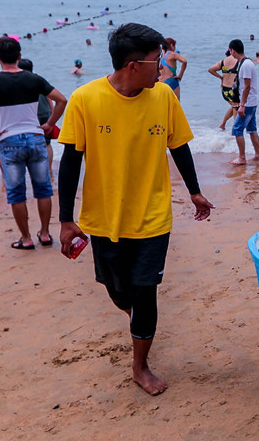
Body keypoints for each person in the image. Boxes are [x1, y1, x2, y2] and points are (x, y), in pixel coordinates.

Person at [57, 23, 215, 397]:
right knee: (117, 292)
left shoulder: (163, 97)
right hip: (105, 218)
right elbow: (69, 161)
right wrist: (65, 219)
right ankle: (135, 315)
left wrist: (195, 192)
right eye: (157, 62)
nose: (162, 69)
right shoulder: (85, 99)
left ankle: (139, 365)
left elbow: (179, 146)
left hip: (153, 216)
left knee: (145, 293)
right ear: (132, 65)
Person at [0, 38, 66, 249]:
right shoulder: (34, 79)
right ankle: (46, 233)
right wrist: (50, 124)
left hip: (9, 141)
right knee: (43, 189)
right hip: (35, 138)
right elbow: (62, 100)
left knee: (16, 193)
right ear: (19, 56)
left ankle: (26, 238)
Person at [224, 39, 259, 165]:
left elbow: (247, 86)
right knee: (252, 129)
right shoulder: (247, 62)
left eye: (230, 51)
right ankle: (257, 155)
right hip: (252, 101)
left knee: (237, 129)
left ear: (233, 50)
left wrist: (242, 105)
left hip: (248, 103)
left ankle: (242, 157)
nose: (230, 53)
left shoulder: (245, 65)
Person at [210, 46, 244, 131]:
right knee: (236, 108)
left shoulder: (223, 62)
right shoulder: (238, 61)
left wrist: (221, 77)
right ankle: (236, 130)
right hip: (234, 90)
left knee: (234, 106)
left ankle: (222, 124)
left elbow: (211, 69)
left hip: (225, 90)